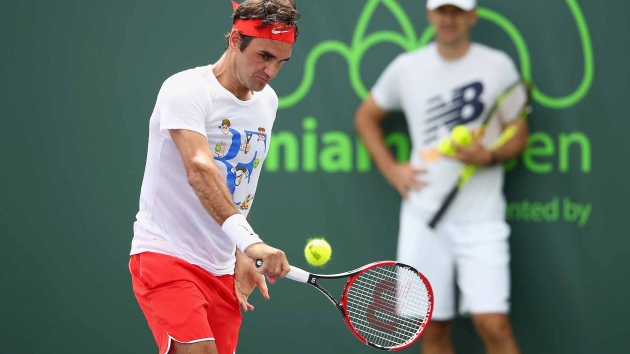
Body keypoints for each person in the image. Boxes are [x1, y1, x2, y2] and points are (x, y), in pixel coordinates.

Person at [354, 0, 528, 353]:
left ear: (472, 16)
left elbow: (519, 132)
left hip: (483, 219)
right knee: (432, 330)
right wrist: (392, 169)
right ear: (431, 14)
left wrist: (489, 155)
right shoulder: (407, 67)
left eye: (458, 11)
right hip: (424, 218)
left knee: (493, 325)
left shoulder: (498, 66)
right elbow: (365, 117)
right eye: (443, 10)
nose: (450, 19)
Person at [128, 1, 300, 353]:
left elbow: (243, 182)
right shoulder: (185, 89)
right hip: (167, 254)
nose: (271, 71)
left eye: (281, 62)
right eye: (264, 56)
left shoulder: (268, 102)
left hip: (221, 267)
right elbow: (200, 170)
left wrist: (240, 251)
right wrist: (251, 241)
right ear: (236, 39)